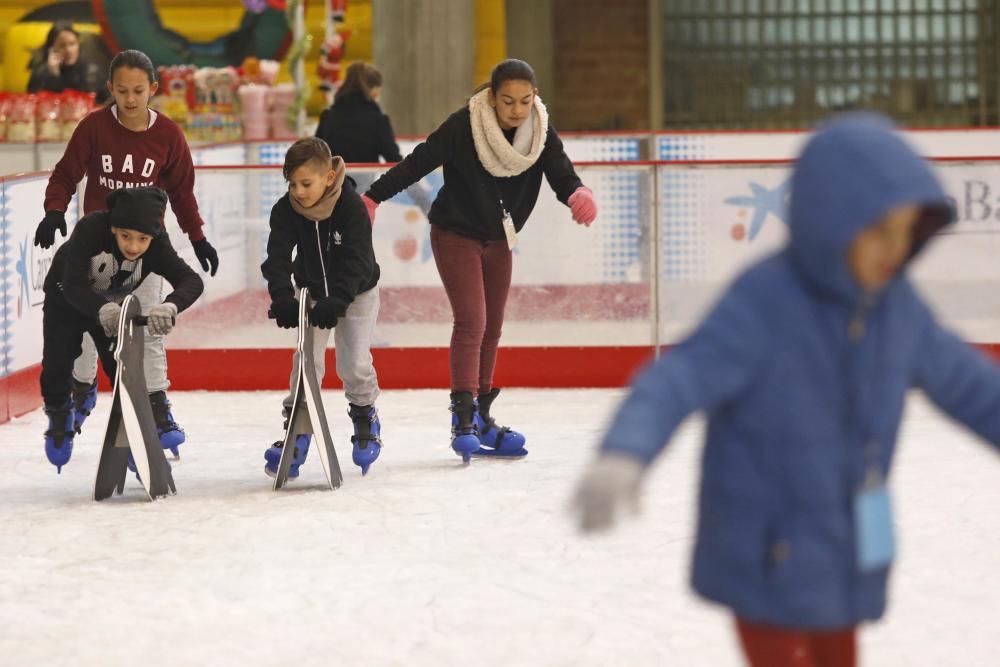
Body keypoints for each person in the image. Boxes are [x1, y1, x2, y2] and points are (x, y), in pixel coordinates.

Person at [571, 113, 1000, 667]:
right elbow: (677, 379)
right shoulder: (764, 303)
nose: (894, 251)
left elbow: (969, 384)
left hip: (845, 540)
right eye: (878, 232)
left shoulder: (898, 310)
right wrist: (625, 451)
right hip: (764, 545)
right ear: (831, 221)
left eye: (906, 233)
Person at [362, 58, 598, 462]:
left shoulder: (539, 130)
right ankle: (463, 417)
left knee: (493, 325)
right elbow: (419, 161)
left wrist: (576, 193)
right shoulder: (464, 124)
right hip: (456, 232)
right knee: (472, 320)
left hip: (499, 238)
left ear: (535, 98)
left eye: (525, 101)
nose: (516, 110)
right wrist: (373, 197)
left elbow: (559, 169)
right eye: (507, 101)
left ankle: (483, 414)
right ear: (491, 97)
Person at [34, 49, 220, 455]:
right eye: (122, 91)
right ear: (110, 89)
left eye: (139, 91)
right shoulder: (94, 127)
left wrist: (198, 237)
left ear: (153, 89)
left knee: (148, 333)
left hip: (143, 250)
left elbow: (182, 192)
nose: (131, 99)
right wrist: (54, 211)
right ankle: (82, 389)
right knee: (86, 335)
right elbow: (67, 173)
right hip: (97, 250)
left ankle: (157, 407)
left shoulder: (168, 135)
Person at [40, 187, 204, 473]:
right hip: (66, 299)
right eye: (125, 236)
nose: (134, 246)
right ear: (113, 227)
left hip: (107, 306)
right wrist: (102, 308)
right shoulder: (91, 228)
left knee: (123, 370)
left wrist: (170, 306)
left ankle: (135, 437)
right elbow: (74, 284)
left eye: (143, 239)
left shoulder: (158, 244)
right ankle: (58, 416)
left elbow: (191, 280)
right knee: (57, 361)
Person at [260, 137, 383, 478]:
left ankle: (364, 414)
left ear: (329, 177)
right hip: (311, 293)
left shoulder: (351, 206)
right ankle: (298, 427)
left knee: (354, 362)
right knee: (306, 362)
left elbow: (358, 261)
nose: (298, 192)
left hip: (357, 293)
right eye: (292, 184)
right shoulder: (286, 210)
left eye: (306, 183)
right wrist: (282, 296)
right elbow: (277, 258)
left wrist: (340, 298)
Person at [314, 60, 431, 214]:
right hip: (360, 202)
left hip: (328, 200)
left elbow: (315, 157)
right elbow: (396, 163)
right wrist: (424, 202)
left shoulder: (328, 117)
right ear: (374, 91)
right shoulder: (377, 121)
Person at [26, 21, 106, 102]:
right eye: (62, 45)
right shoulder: (41, 72)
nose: (68, 50)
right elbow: (37, 102)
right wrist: (53, 74)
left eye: (72, 44)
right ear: (52, 49)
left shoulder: (90, 71)